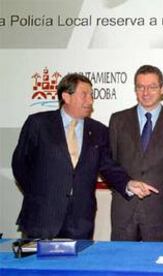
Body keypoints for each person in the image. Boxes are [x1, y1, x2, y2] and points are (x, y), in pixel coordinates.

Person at [12, 73, 144, 240]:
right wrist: (41, 194)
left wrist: (128, 183)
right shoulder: (39, 124)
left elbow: (108, 166)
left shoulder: (98, 131)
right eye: (84, 94)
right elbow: (20, 165)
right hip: (41, 218)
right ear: (66, 97)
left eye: (91, 95)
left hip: (80, 222)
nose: (90, 100)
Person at [109, 65, 163, 242]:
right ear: (135, 89)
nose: (146, 92)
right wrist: (126, 186)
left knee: (158, 266)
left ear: (162, 89)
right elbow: (110, 163)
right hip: (124, 209)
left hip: (159, 211)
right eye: (140, 87)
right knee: (122, 265)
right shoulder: (118, 120)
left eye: (152, 87)